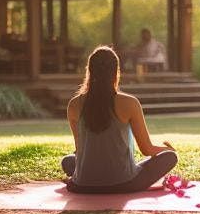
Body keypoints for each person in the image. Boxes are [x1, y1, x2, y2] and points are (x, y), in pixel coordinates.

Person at [61, 46, 177, 193]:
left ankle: (92, 178)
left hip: (83, 184)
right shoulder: (129, 103)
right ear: (116, 73)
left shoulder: (74, 104)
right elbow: (147, 149)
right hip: (124, 183)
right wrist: (168, 149)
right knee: (170, 157)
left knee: (68, 161)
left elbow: (80, 151)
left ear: (89, 71)